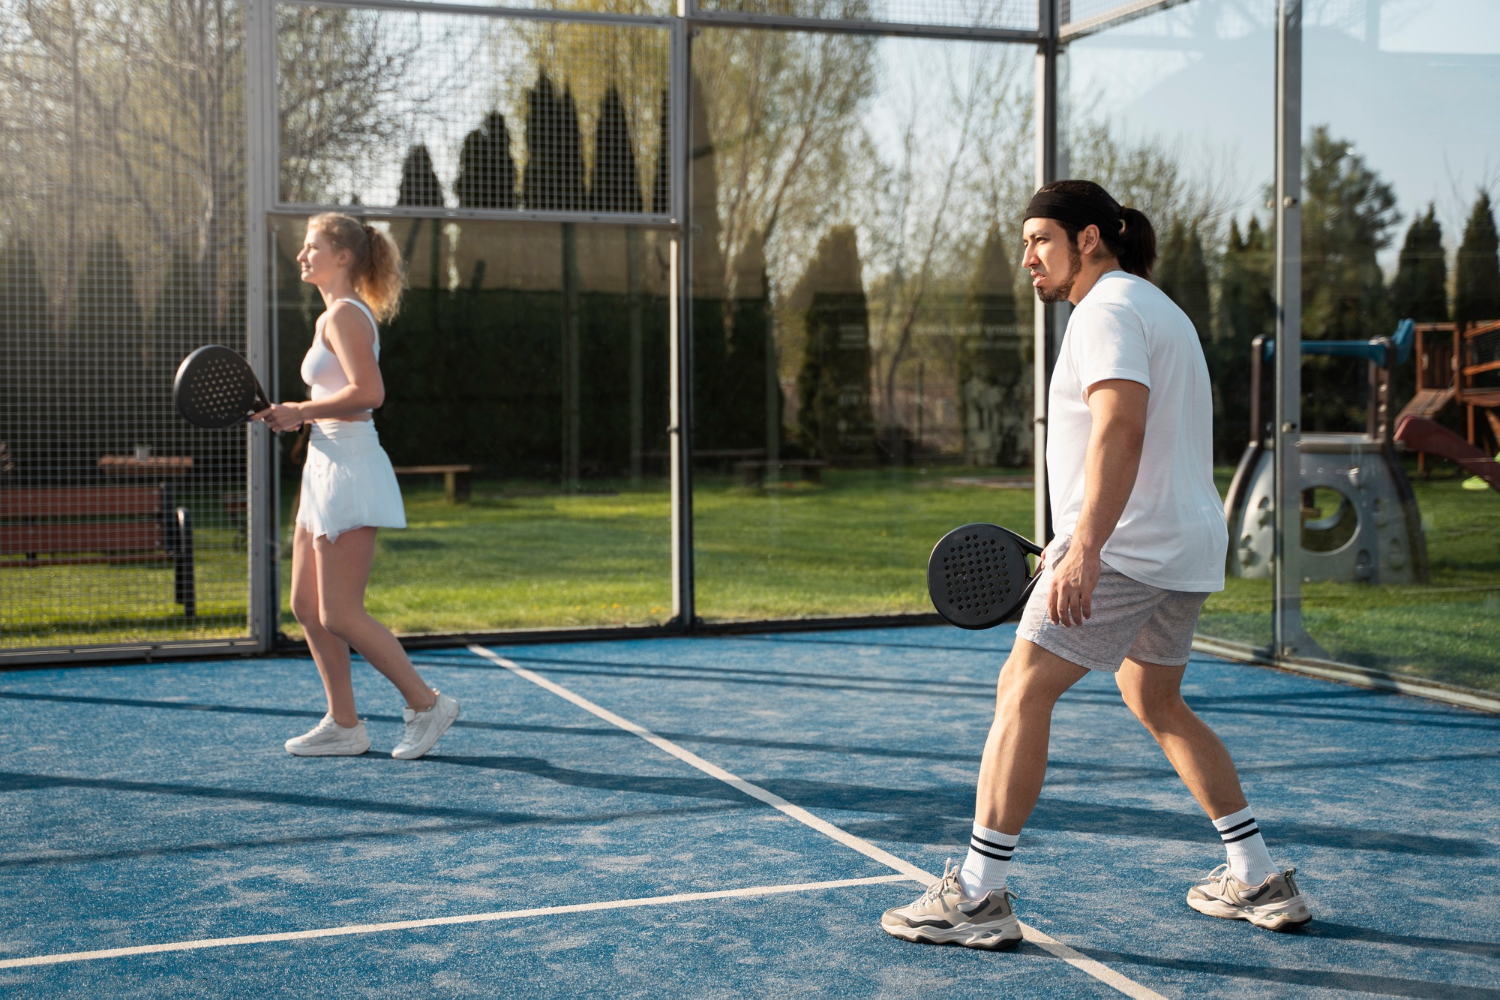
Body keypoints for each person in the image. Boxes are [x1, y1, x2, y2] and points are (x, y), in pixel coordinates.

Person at [881, 181, 1310, 950]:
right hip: (1182, 546)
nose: (1027, 259)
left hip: (1127, 546)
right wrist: (1081, 537)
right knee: (1155, 699)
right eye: (1023, 244)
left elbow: (1121, 427)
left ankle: (977, 895)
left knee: (1022, 688)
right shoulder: (1155, 306)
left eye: (1039, 239)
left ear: (1087, 239)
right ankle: (1256, 874)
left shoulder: (1106, 309)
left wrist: (1087, 543)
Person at [254, 213, 459, 760]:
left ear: (342, 257)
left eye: (311, 246)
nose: (302, 255)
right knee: (304, 603)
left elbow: (370, 392)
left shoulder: (344, 315)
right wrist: (297, 416)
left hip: (349, 465)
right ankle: (344, 724)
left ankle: (427, 704)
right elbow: (336, 395)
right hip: (322, 467)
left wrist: (301, 409)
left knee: (340, 613)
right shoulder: (331, 317)